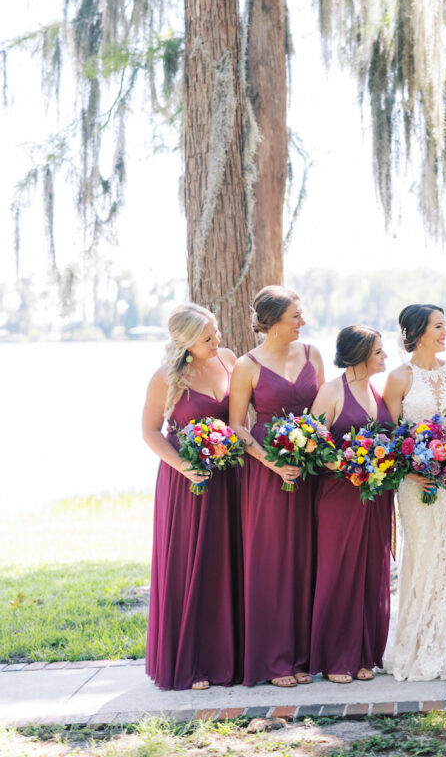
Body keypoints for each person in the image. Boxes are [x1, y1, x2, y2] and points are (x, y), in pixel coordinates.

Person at [228, 285, 325, 688]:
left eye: (301, 315)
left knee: (308, 558)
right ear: (271, 322)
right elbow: (236, 425)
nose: (302, 322)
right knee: (271, 560)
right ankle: (273, 660)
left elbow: (323, 411)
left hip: (310, 469)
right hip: (268, 472)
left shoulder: (312, 355)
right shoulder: (247, 366)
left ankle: (303, 656)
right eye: (294, 317)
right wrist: (271, 463)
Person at [143, 303, 242, 691]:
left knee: (227, 560)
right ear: (185, 344)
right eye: (206, 338)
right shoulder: (166, 377)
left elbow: (240, 419)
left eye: (215, 331)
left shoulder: (230, 360)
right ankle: (194, 660)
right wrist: (183, 467)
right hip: (188, 482)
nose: (217, 341)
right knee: (191, 563)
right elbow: (150, 431)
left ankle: (230, 656)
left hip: (230, 477)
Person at [382, 303, 446, 681]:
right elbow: (391, 437)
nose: (445, 333)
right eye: (438, 327)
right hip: (414, 483)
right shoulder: (398, 378)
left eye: (445, 326)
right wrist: (412, 470)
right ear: (418, 332)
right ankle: (415, 645)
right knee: (421, 555)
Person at [309, 326, 393, 683]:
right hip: (340, 497)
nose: (385, 358)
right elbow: (312, 445)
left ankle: (364, 654)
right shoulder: (331, 391)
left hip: (375, 497)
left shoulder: (375, 390)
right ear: (359, 355)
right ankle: (336, 657)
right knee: (340, 571)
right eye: (378, 352)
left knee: (371, 573)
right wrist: (350, 466)